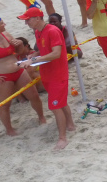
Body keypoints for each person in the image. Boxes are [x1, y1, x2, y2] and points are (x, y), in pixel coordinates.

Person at [17, 8, 75, 150]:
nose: (26, 23)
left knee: (54, 106)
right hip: (47, 73)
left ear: (37, 18)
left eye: (28, 19)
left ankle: (62, 138)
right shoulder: (38, 31)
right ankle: (71, 124)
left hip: (57, 74)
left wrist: (34, 60)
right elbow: (45, 49)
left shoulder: (52, 31)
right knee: (60, 102)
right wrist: (34, 55)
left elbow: (56, 53)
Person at [0, 15, 46, 136]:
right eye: (2, 23)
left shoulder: (6, 35)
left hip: (18, 70)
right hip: (3, 76)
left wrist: (19, 44)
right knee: (5, 104)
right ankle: (9, 130)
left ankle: (41, 117)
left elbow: (19, 53)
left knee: (34, 95)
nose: (5, 24)